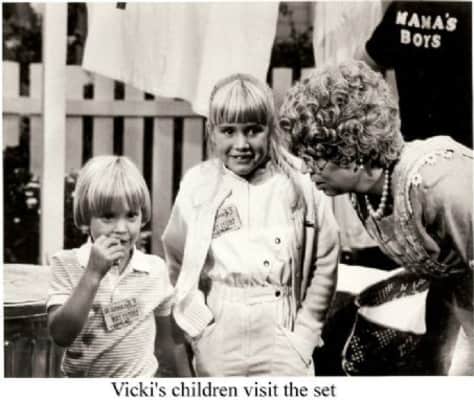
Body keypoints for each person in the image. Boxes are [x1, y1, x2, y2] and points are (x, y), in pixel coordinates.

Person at [278, 60, 473, 375]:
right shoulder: (364, 192)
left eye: (315, 158)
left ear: (351, 152)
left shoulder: (437, 184)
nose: (305, 169)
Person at [162, 73, 340, 376]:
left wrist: (306, 333)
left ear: (270, 128)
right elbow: (177, 259)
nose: (241, 144)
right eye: (228, 131)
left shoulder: (298, 181)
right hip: (220, 330)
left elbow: (326, 259)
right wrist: (199, 328)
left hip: (282, 333)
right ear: (212, 132)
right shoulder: (199, 185)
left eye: (253, 130)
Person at [47, 155, 185, 377]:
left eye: (131, 216)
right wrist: (93, 274)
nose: (121, 229)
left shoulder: (154, 270)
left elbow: (168, 341)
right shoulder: (66, 264)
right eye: (108, 217)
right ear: (87, 216)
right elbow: (61, 335)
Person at [361, 1, 472, 148]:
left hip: (413, 139)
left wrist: (381, 114)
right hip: (461, 142)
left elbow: (367, 64)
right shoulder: (467, 10)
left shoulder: (401, 8)